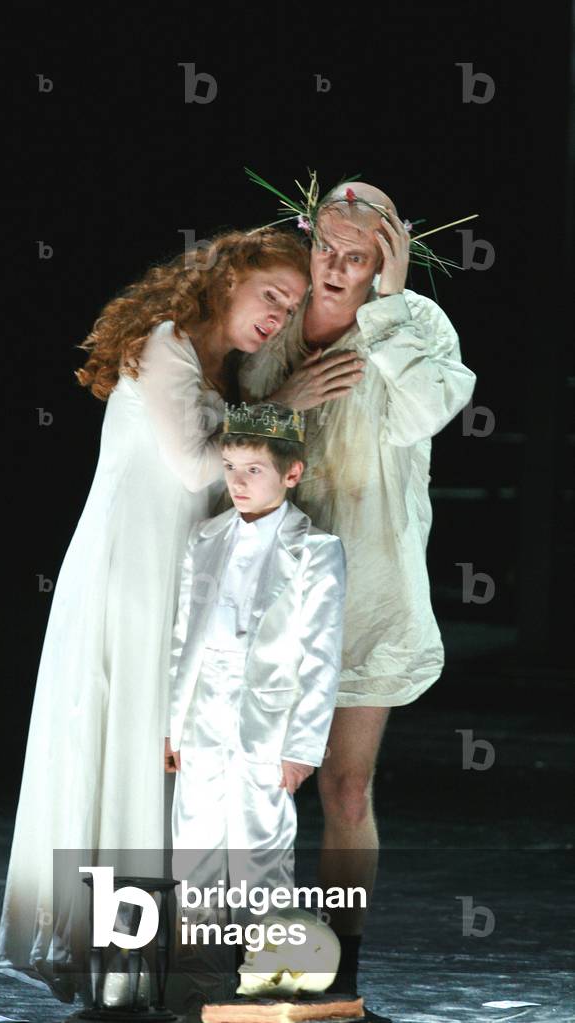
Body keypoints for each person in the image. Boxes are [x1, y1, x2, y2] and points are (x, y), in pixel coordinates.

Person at [0, 230, 309, 1006]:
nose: (279, 315)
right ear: (229, 278)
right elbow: (200, 464)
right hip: (130, 577)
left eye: (292, 307)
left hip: (173, 577)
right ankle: (122, 961)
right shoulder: (166, 342)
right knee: (132, 745)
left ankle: (157, 955)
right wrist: (290, 405)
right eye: (272, 295)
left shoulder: (213, 364)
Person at [239, 180, 477, 1001]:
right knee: (258, 787)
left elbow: (429, 408)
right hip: (268, 594)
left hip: (366, 593)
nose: (335, 268)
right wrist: (284, 402)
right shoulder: (269, 327)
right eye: (324, 249)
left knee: (344, 785)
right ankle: (253, 963)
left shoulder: (414, 325)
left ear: (386, 260)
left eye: (356, 256)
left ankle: (337, 973)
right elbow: (221, 446)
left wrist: (390, 306)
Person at [165, 401, 346, 1008]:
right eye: (230, 467)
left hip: (266, 720)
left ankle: (275, 979)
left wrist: (302, 746)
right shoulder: (207, 536)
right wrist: (174, 724)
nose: (237, 483)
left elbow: (321, 656)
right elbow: (182, 638)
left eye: (253, 471)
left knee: (260, 845)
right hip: (202, 712)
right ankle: (196, 977)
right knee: (193, 846)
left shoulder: (316, 550)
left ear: (291, 474)